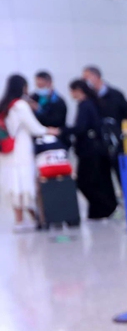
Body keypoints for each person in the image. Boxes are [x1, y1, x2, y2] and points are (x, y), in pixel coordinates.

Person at [2, 74, 59, 231]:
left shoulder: (5, 105)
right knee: (24, 183)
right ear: (22, 87)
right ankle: (28, 219)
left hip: (6, 150)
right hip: (21, 149)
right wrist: (50, 130)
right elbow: (35, 128)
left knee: (14, 185)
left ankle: (20, 220)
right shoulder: (20, 105)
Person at [66, 79, 117, 219]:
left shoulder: (85, 105)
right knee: (100, 181)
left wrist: (63, 131)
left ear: (78, 90)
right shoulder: (93, 103)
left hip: (89, 151)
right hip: (97, 150)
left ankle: (103, 207)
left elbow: (81, 127)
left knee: (85, 182)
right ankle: (101, 209)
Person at [81, 65, 127, 189]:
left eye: (86, 78)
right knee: (102, 182)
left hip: (115, 144)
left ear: (96, 77)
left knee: (122, 176)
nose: (84, 82)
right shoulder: (88, 100)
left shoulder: (115, 95)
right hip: (97, 147)